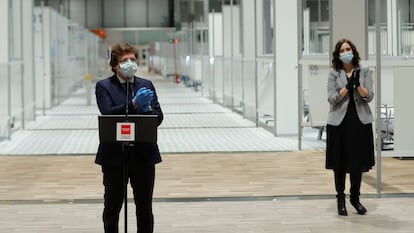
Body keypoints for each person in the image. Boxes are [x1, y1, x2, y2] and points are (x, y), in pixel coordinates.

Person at [95, 42, 163, 233]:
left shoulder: (146, 84)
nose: (131, 63)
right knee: (112, 206)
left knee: (144, 207)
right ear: (115, 65)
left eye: (133, 59)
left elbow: (158, 117)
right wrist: (133, 104)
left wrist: (147, 109)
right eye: (125, 60)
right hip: (115, 156)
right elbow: (108, 112)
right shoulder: (104, 86)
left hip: (143, 154)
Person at [326, 39, 375, 216]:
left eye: (348, 49)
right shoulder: (334, 73)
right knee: (339, 163)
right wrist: (347, 87)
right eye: (342, 50)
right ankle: (340, 199)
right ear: (338, 54)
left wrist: (357, 85)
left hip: (359, 121)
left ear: (353, 51)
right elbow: (331, 98)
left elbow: (369, 96)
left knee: (357, 162)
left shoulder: (364, 70)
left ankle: (355, 198)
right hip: (339, 123)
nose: (346, 52)